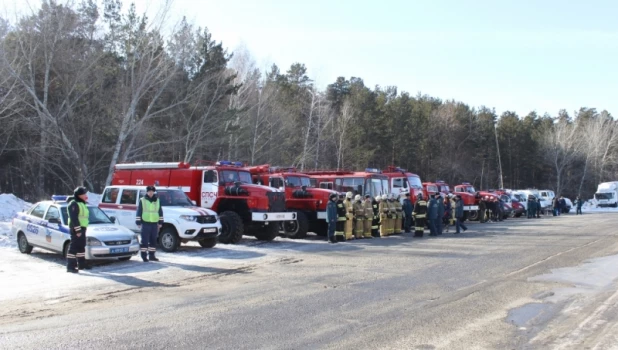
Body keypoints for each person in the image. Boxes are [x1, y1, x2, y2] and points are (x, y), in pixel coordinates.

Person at [136, 185, 164, 262]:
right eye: (149, 191)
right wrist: (138, 221)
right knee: (144, 240)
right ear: (147, 192)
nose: (151, 193)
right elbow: (139, 211)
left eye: (152, 191)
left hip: (154, 223)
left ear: (154, 192)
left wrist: (161, 222)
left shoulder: (157, 200)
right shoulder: (142, 200)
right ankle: (144, 256)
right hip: (145, 223)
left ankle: (152, 255)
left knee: (153, 240)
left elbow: (160, 212)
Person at [66, 187, 90, 273]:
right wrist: (78, 230)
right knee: (73, 247)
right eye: (84, 194)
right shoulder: (73, 203)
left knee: (81, 246)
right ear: (80, 195)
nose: (86, 195)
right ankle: (70, 266)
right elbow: (74, 218)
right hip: (76, 228)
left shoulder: (82, 203)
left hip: (82, 227)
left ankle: (81, 264)